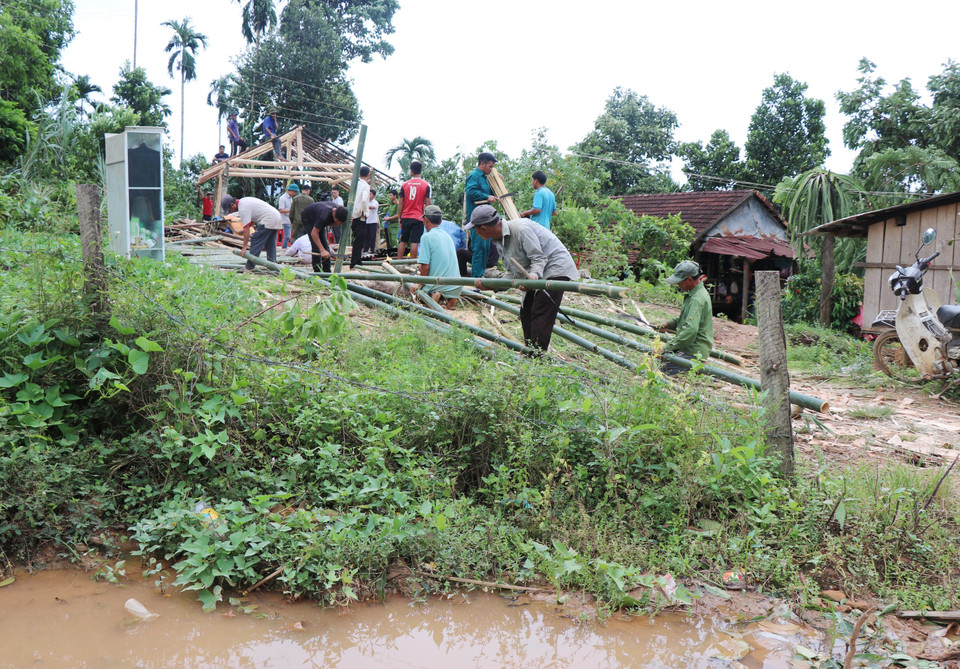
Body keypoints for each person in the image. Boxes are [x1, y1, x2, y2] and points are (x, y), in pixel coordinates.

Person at [468, 204, 578, 353]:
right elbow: (513, 274)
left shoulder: (521, 229)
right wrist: (490, 285)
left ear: (483, 228)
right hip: (536, 274)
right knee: (526, 310)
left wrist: (532, 280)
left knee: (540, 311)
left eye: (474, 229)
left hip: (555, 267)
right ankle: (530, 353)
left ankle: (537, 358)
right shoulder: (498, 241)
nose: (474, 232)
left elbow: (539, 258)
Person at [656, 260, 714, 375]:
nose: (678, 284)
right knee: (659, 362)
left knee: (661, 370)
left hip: (693, 351)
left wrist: (666, 347)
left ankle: (697, 367)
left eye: (680, 281)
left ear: (689, 280)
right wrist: (668, 324)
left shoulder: (696, 299)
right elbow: (686, 320)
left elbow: (690, 330)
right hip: (688, 347)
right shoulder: (694, 294)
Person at [221, 195, 282, 272]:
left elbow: (247, 230)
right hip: (276, 216)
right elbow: (253, 220)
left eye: (230, 210)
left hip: (268, 218)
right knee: (270, 243)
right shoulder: (244, 201)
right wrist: (242, 231)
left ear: (232, 205)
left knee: (255, 240)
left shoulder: (243, 208)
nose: (231, 211)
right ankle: (273, 265)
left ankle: (249, 267)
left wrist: (244, 247)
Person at [417, 205, 462, 310]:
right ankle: (450, 301)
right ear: (440, 221)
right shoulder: (447, 236)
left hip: (438, 285)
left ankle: (433, 296)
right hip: (456, 286)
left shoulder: (426, 237)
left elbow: (425, 268)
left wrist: (418, 285)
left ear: (426, 219)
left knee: (414, 291)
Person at [464, 152, 499, 278]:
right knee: (479, 249)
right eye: (490, 166)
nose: (491, 169)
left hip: (486, 220)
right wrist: (486, 197)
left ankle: (481, 276)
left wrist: (496, 181)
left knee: (485, 248)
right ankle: (475, 279)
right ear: (482, 164)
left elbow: (492, 193)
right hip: (477, 221)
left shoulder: (486, 177)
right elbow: (471, 191)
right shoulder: (474, 176)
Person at [397, 160, 431, 261]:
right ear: (421, 171)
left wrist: (399, 216)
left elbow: (401, 202)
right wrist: (425, 216)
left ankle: (397, 263)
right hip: (418, 217)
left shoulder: (404, 185)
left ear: (411, 171)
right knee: (415, 242)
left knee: (403, 241)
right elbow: (427, 203)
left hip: (406, 216)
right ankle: (412, 263)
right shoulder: (426, 185)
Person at [302, 200, 349, 273]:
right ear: (333, 215)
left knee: (325, 244)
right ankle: (317, 272)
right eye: (337, 222)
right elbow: (314, 233)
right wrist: (322, 250)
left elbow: (332, 223)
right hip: (308, 217)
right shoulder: (324, 216)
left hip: (319, 216)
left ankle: (327, 271)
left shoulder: (341, 211)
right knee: (316, 247)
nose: (338, 224)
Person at [349, 166, 372, 268]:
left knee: (357, 240)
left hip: (354, 214)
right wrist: (364, 212)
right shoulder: (365, 186)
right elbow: (364, 200)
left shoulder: (355, 184)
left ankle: (357, 260)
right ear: (368, 175)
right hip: (360, 215)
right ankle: (354, 262)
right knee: (359, 241)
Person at [277, 183, 298, 249]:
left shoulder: (290, 198)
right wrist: (291, 210)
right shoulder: (282, 198)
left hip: (289, 219)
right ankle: (284, 248)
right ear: (291, 191)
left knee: (289, 236)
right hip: (285, 219)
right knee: (287, 236)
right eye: (294, 192)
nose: (295, 194)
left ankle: (285, 247)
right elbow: (281, 210)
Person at [383, 190, 400, 255]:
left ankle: (397, 254)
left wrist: (388, 218)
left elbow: (398, 215)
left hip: (395, 225)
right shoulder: (391, 204)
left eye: (391, 195)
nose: (389, 196)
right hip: (389, 225)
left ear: (395, 196)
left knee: (394, 240)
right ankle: (392, 254)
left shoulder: (397, 204)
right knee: (390, 241)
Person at [366, 188, 380, 255]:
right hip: (366, 222)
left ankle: (372, 249)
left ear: (374, 196)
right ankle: (365, 249)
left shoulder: (375, 202)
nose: (369, 195)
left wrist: (364, 206)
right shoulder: (366, 202)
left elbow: (372, 207)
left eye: (370, 194)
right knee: (366, 236)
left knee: (372, 236)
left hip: (373, 222)